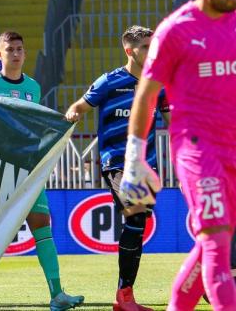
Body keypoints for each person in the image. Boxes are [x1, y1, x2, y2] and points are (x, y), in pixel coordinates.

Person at [121, 0, 236, 310]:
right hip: (197, 149)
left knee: (210, 245)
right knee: (218, 240)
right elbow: (146, 95)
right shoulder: (175, 31)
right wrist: (135, 158)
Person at [0, 31, 84, 311]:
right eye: (10, 49)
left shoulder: (33, 87)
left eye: (20, 49)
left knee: (42, 224)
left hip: (26, 168)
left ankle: (57, 295)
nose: (16, 54)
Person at [65, 26, 170, 311]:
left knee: (136, 226)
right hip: (117, 163)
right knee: (135, 215)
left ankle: (125, 295)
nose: (152, 52)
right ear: (129, 51)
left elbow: (175, 121)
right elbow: (78, 108)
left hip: (147, 167)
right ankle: (124, 296)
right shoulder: (110, 82)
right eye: (146, 47)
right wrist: (71, 114)